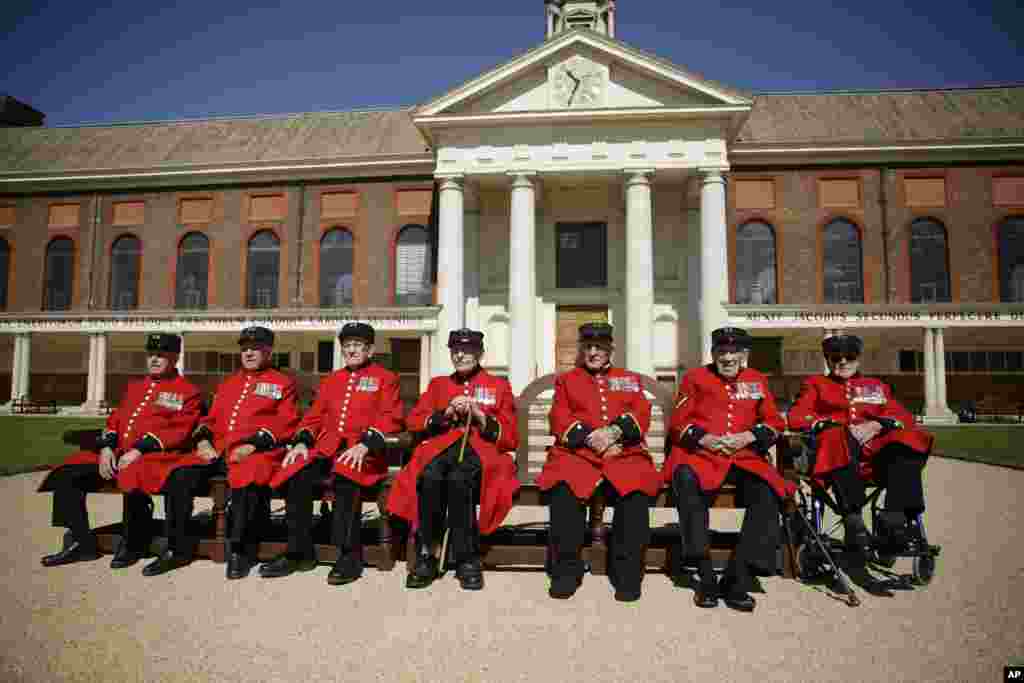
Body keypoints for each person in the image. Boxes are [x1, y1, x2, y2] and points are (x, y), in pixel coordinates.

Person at [38, 333, 203, 569]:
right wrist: (106, 447)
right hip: (118, 454)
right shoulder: (135, 387)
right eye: (151, 355)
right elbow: (116, 419)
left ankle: (134, 543)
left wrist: (138, 450)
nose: (154, 359)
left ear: (175, 358)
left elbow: (179, 430)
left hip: (156, 457)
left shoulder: (187, 391)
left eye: (161, 355)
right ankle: (82, 542)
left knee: (133, 473)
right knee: (67, 473)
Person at [265, 322, 404, 584]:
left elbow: (392, 418)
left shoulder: (386, 379)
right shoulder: (332, 380)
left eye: (357, 346)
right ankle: (299, 551)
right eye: (347, 346)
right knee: (297, 474)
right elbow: (314, 416)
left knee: (345, 478)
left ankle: (349, 554)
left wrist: (366, 444)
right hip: (327, 449)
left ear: (370, 350)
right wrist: (303, 441)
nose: (351, 350)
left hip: (364, 453)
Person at [160, 325, 300, 579]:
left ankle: (241, 551)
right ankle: (177, 548)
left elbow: (286, 423)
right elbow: (210, 420)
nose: (248, 353)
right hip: (220, 451)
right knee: (179, 474)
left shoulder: (282, 383)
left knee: (246, 477)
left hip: (258, 452)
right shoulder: (228, 384)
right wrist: (203, 441)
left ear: (268, 352)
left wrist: (252, 445)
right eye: (245, 349)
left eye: (255, 349)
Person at [665, 327, 787, 611]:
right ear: (713, 353)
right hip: (701, 455)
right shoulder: (695, 378)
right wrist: (707, 439)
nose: (728, 357)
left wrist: (747, 437)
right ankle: (705, 574)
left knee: (767, 491)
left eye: (735, 352)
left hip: (743, 455)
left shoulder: (757, 380)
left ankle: (738, 576)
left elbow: (774, 422)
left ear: (745, 355)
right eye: (722, 351)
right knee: (685, 479)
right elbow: (678, 423)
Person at [536, 322, 660, 602]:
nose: (593, 352)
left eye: (600, 347)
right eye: (588, 347)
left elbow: (641, 411)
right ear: (581, 350)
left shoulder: (629, 379)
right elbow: (559, 417)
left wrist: (615, 432)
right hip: (577, 454)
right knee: (564, 495)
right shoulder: (567, 380)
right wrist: (593, 438)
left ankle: (626, 574)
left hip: (623, 453)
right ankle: (566, 571)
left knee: (635, 497)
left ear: (610, 349)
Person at [387, 328, 519, 591]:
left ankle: (466, 558)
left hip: (479, 451)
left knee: (461, 480)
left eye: (467, 350)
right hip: (440, 449)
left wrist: (481, 416)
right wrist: (445, 413)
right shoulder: (438, 385)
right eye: (456, 351)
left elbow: (510, 435)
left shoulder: (499, 385)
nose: (461, 355)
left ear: (479, 353)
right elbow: (415, 420)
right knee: (430, 477)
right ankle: (427, 553)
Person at [787, 333, 933, 556]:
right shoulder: (816, 384)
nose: (843, 362)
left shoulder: (876, 386)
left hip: (875, 458)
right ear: (827, 360)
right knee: (836, 437)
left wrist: (876, 424)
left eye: (849, 356)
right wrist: (840, 425)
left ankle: (894, 518)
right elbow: (797, 417)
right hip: (836, 459)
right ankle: (853, 519)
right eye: (836, 358)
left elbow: (903, 417)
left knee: (908, 439)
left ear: (858, 359)